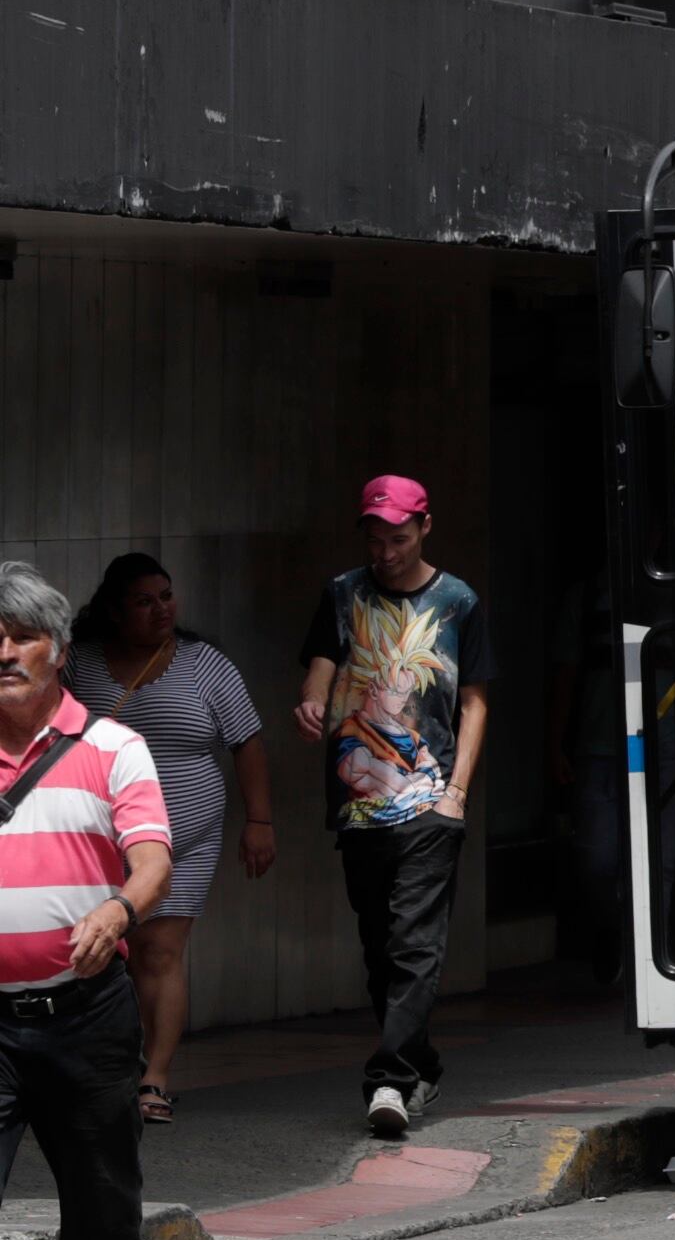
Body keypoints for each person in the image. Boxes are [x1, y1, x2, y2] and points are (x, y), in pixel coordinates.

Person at [0, 562, 175, 1240]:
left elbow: (153, 861)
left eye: (22, 634)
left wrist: (117, 909)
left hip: (85, 1015)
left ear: (59, 651)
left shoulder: (113, 749)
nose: (4, 650)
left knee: (104, 1201)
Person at [294, 477, 495, 1140]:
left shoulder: (458, 601)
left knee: (415, 943)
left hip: (429, 803)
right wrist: (313, 699)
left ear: (425, 527)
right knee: (381, 948)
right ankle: (422, 1060)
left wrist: (457, 792)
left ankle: (389, 1081)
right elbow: (323, 661)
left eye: (399, 538)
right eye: (375, 539)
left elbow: (473, 702)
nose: (385, 551)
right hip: (359, 806)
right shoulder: (343, 592)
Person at [66, 555, 273, 1124]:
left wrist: (260, 822)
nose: (161, 609)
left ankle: (153, 1079)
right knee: (101, 953)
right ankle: (98, 1071)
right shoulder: (77, 665)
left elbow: (248, 742)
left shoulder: (206, 665)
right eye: (144, 601)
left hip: (186, 836)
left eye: (166, 596)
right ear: (114, 610)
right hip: (96, 837)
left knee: (158, 952)